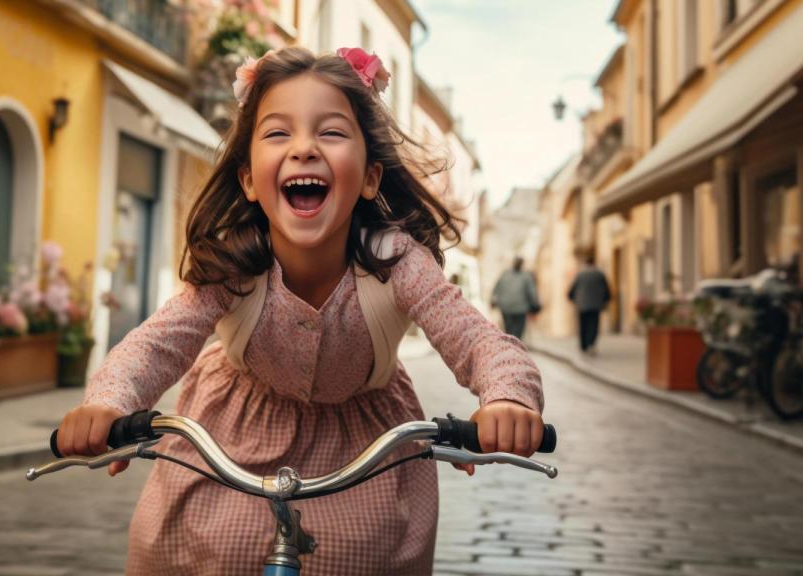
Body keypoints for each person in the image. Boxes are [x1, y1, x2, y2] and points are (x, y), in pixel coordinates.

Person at [55, 47, 545, 575]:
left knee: (372, 553)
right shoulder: (235, 262)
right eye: (277, 133)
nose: (305, 148)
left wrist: (507, 398)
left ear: (370, 178)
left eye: (331, 132)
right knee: (183, 547)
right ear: (248, 179)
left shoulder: (396, 261)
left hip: (366, 451)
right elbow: (159, 342)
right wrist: (107, 402)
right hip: (229, 441)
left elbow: (476, 339)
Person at [568, 254, 611, 353]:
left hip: (582, 304)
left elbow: (572, 289)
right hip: (595, 305)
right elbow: (607, 289)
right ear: (593, 262)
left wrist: (573, 299)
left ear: (586, 263)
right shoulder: (599, 274)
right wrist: (606, 300)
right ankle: (591, 343)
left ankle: (583, 345)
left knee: (583, 325)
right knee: (594, 325)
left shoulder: (580, 274)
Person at [491, 257, 541, 340]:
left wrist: (493, 300)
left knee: (509, 329)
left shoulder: (505, 274)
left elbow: (496, 288)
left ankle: (510, 345)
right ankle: (516, 344)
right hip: (520, 308)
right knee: (518, 330)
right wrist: (536, 304)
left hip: (506, 307)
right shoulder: (526, 276)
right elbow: (532, 292)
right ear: (522, 264)